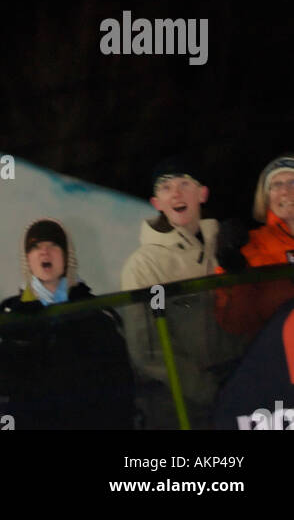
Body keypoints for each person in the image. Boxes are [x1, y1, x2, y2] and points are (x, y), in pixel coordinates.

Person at [0, 217, 135, 429]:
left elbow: (120, 384)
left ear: (67, 256)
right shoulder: (7, 315)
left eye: (53, 245)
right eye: (35, 247)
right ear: (27, 259)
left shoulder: (96, 312)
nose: (44, 252)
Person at [120, 157, 238, 428]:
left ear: (202, 193)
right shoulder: (143, 265)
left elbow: (249, 318)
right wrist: (208, 390)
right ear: (156, 203)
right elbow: (147, 350)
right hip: (176, 406)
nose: (176, 193)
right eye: (165, 188)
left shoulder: (226, 248)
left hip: (238, 393)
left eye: (184, 183)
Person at [215, 155, 294, 339]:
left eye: (292, 182)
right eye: (275, 185)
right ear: (265, 197)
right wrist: (235, 275)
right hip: (278, 354)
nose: (285, 191)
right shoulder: (252, 245)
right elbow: (234, 324)